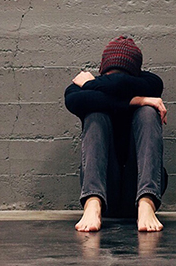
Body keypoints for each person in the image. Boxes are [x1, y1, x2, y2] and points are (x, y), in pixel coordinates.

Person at [64, 35, 169, 232]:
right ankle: (92, 203)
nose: (116, 78)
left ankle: (147, 203)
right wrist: (136, 100)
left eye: (123, 74)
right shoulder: (77, 91)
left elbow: (120, 83)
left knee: (148, 112)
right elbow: (73, 101)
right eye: (109, 74)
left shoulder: (150, 82)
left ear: (136, 76)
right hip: (105, 191)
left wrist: (90, 83)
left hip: (138, 188)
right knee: (95, 114)